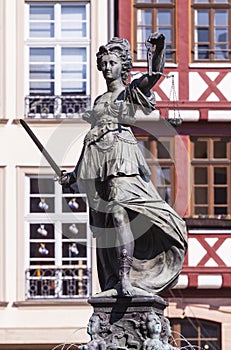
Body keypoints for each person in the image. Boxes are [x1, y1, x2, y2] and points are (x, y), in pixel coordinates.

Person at [60, 33, 187, 297]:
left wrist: (160, 49)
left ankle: (126, 278)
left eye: (113, 63)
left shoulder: (128, 92)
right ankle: (115, 280)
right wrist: (73, 175)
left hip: (121, 157)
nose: (107, 68)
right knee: (107, 223)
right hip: (97, 163)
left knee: (119, 211)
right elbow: (90, 141)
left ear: (123, 66)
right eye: (104, 63)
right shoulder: (99, 101)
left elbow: (152, 76)